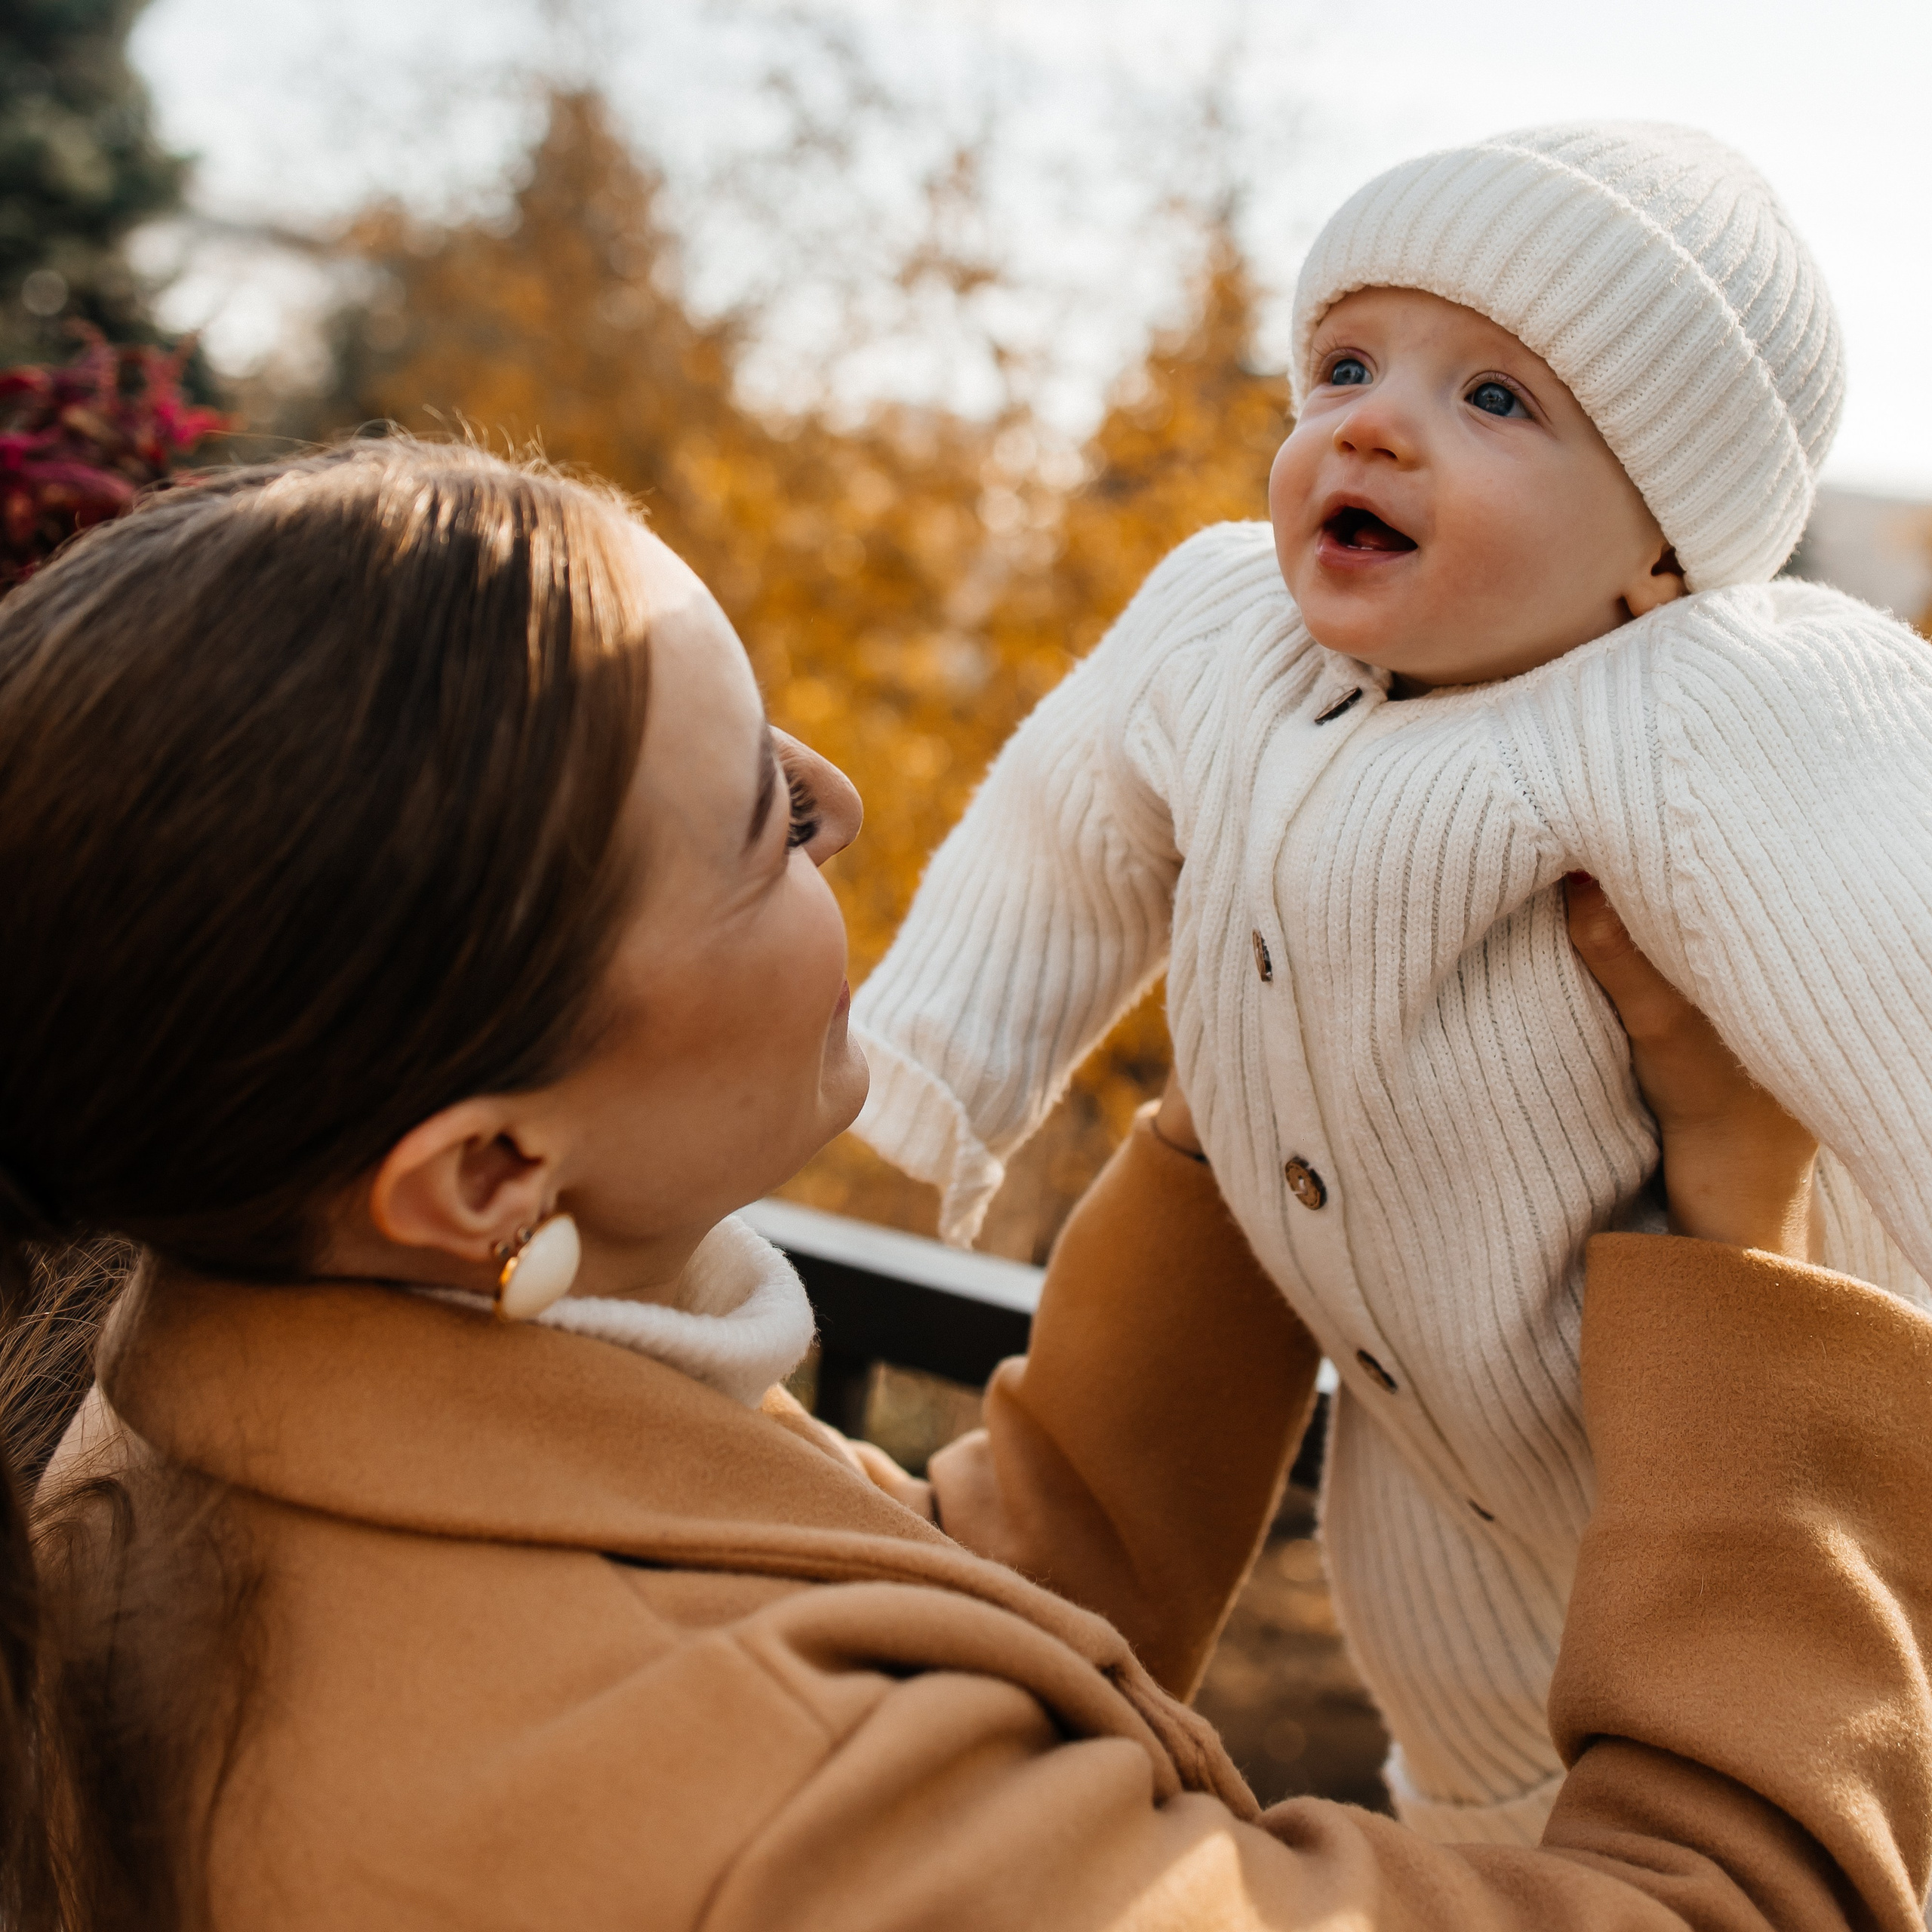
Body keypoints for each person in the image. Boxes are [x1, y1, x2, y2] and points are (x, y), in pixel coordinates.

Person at [1, 439, 1927, 1932]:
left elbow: (941, 1617)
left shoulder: (200, 1409)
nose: (834, 791)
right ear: (489, 1166)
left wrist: (1277, 1082)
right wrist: (1737, 1253)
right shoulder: (744, 1803)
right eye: (760, 820)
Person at [847, 120, 1932, 1843]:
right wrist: (930, 1055)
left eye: (1494, 400)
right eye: (1342, 364)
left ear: (1659, 556)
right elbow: (1057, 826)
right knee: (1482, 1805)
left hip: (1757, 1517)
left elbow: (1900, 957)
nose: (1367, 421)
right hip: (1437, 1521)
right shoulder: (1221, 624)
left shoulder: (1709, 703)